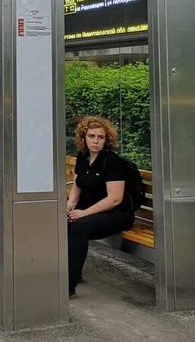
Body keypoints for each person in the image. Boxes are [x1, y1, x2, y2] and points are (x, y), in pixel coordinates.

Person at [67, 115, 134, 297]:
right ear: (84, 137)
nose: (96, 141)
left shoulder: (113, 162)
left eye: (100, 137)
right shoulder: (83, 157)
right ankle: (68, 272)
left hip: (118, 213)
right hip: (93, 211)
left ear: (107, 139)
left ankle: (69, 284)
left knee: (80, 225)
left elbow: (115, 199)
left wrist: (84, 213)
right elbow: (77, 186)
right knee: (64, 221)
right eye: (91, 136)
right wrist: (70, 206)